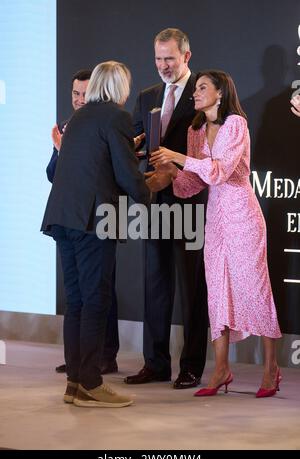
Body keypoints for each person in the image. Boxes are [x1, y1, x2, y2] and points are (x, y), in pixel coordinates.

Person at [150, 69, 282, 398]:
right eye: (195, 88)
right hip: (216, 219)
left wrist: (179, 158)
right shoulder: (197, 129)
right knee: (217, 292)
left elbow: (220, 170)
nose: (195, 92)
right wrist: (171, 173)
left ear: (220, 93)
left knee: (255, 289)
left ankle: (271, 368)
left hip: (243, 215)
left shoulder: (235, 124)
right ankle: (221, 369)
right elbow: (195, 182)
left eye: (202, 87)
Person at [41, 61, 150, 407]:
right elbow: (125, 175)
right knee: (95, 301)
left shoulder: (80, 118)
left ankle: (75, 382)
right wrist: (150, 187)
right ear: (119, 86)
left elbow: (95, 162)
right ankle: (90, 383)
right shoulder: (115, 116)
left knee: (76, 302)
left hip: (62, 218)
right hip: (92, 221)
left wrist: (125, 150)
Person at [125, 28, 208, 389]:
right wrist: (136, 148)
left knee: (192, 288)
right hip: (155, 201)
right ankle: (155, 364)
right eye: (158, 59)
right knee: (155, 284)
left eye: (169, 58)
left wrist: (177, 169)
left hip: (191, 200)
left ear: (186, 56)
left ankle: (191, 366)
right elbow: (134, 144)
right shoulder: (146, 97)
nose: (163, 65)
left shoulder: (204, 95)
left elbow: (211, 154)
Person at [47, 69, 119, 376]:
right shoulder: (66, 128)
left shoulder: (105, 122)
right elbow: (52, 173)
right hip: (71, 219)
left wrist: (69, 153)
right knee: (80, 295)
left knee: (99, 291)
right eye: (74, 94)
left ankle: (104, 356)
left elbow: (106, 171)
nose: (78, 100)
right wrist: (64, 152)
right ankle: (78, 361)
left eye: (84, 94)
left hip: (98, 216)